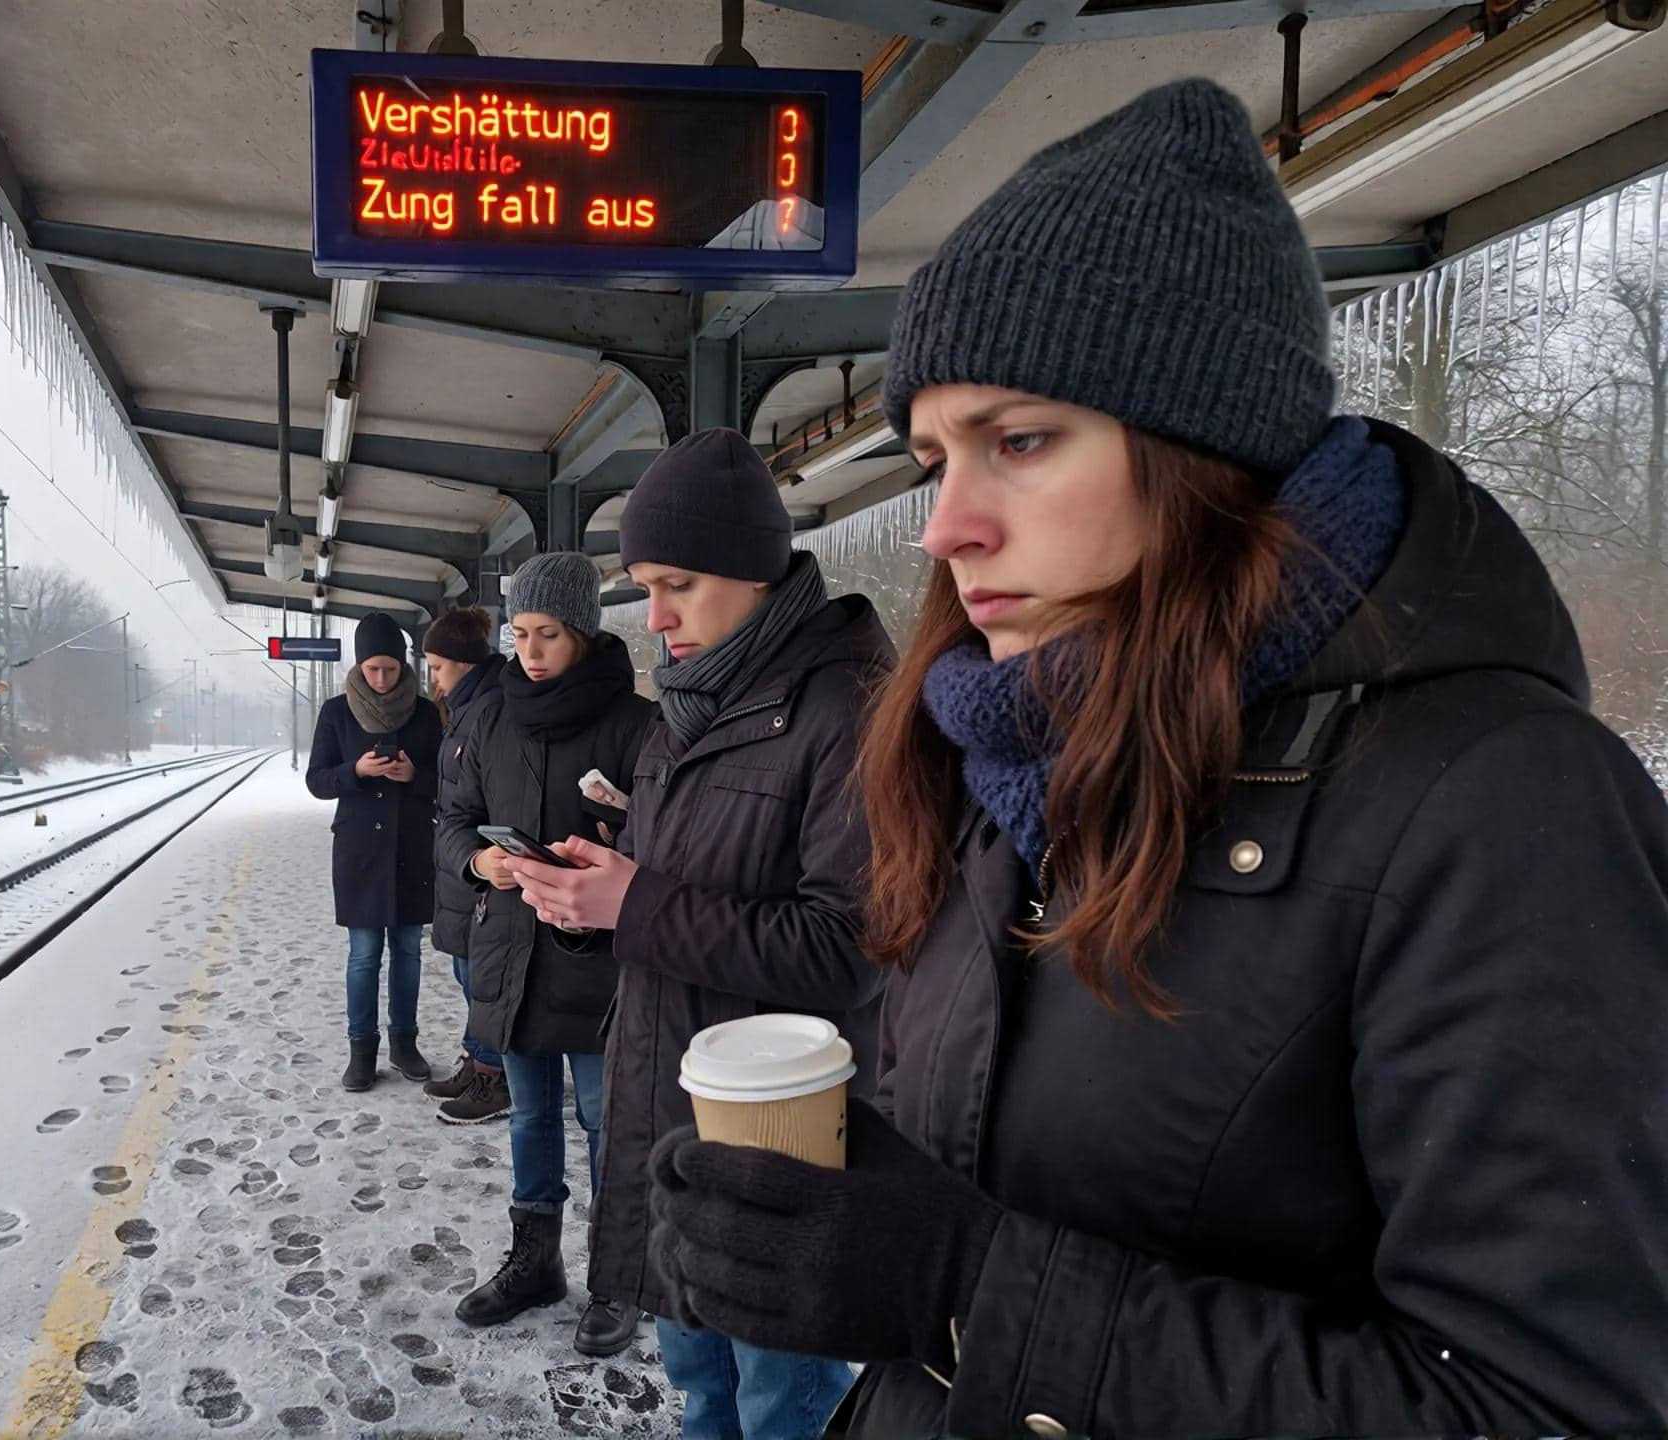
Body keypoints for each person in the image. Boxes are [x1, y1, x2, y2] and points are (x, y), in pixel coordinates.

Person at [642, 78, 1668, 1438]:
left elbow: (1556, 1406)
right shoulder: (1008, 760)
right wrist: (847, 1220)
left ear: (1205, 448)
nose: (946, 525)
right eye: (933, 456)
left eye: (1019, 441)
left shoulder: (1500, 804)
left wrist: (960, 1291)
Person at [514, 427, 890, 1438]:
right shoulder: (693, 704)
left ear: (755, 570)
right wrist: (591, 891)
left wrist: (635, 904)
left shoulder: (846, 710)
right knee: (699, 1384)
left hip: (776, 1138)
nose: (658, 616)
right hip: (672, 1106)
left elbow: (850, 948)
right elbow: (678, 891)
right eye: (644, 586)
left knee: (782, 1398)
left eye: (677, 582)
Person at [435, 552, 655, 1354]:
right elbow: (454, 816)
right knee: (529, 1114)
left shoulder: (636, 724)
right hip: (511, 954)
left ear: (584, 632)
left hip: (598, 957)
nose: (529, 650)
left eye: (548, 634)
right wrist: (478, 860)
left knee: (605, 1120)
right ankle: (536, 1261)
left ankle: (616, 1278)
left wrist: (622, 839)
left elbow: (668, 844)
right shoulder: (488, 719)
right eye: (520, 633)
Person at [307, 612, 443, 1092]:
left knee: (408, 951)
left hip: (411, 850)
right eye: (372, 670)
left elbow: (450, 784)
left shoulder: (427, 714)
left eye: (389, 669)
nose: (382, 679)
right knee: (364, 955)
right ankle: (361, 1050)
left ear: (404, 665)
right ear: (360, 666)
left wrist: (415, 778)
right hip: (360, 853)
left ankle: (404, 1043)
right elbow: (317, 782)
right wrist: (356, 772)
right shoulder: (336, 712)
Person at [419, 606, 512, 1126]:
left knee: (483, 979)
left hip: (482, 869)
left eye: (437, 665)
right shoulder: (468, 706)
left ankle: (492, 1076)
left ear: (462, 662)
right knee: (468, 975)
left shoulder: (488, 708)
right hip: (465, 863)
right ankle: (476, 1058)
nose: (433, 677)